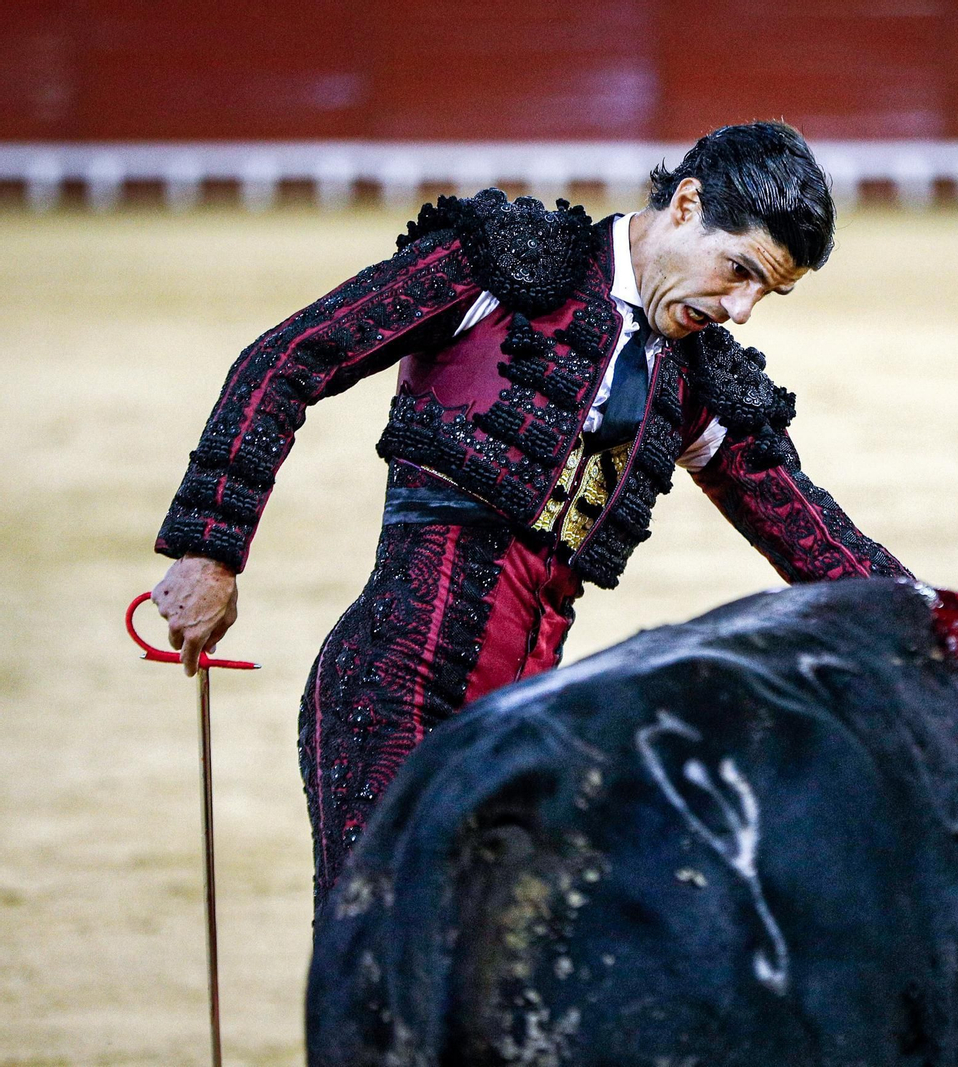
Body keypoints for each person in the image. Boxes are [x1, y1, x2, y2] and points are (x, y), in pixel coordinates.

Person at [150, 121, 910, 903]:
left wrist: (948, 632)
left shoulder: (697, 378)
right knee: (395, 974)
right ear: (686, 206)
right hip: (392, 699)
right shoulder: (507, 266)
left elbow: (814, 536)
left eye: (768, 293)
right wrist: (211, 547)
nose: (744, 310)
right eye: (739, 270)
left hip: (527, 731)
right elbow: (290, 356)